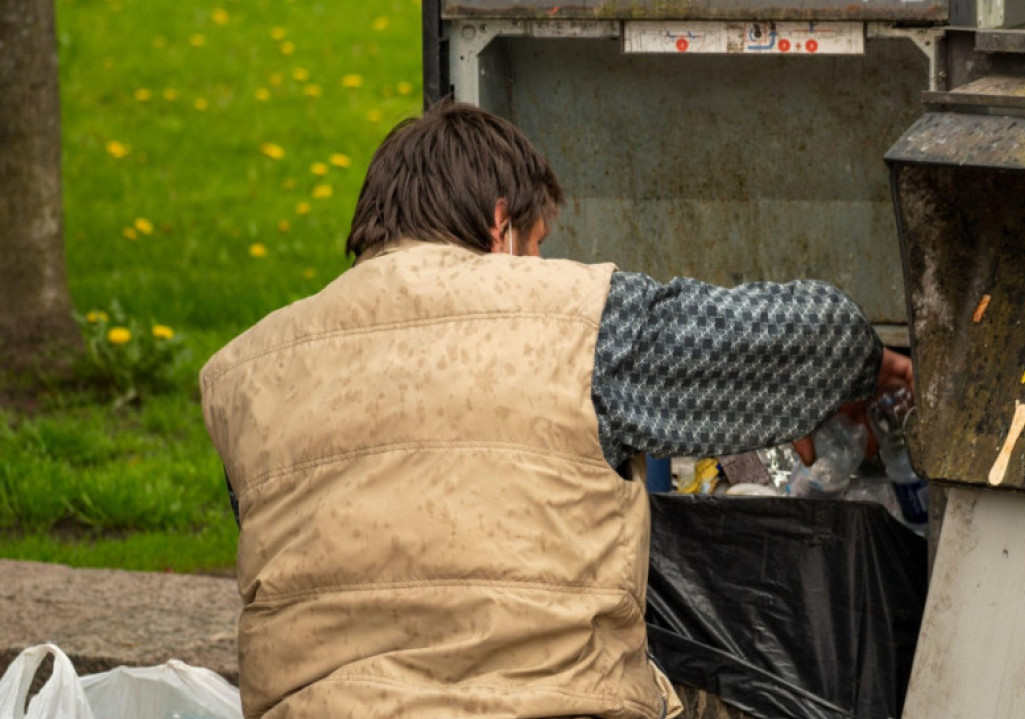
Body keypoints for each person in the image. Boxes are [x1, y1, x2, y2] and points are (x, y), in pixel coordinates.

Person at [200, 100, 912, 719]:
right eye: (537, 246)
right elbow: (814, 337)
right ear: (498, 225)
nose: (538, 267)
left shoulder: (244, 375)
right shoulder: (574, 323)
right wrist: (870, 362)